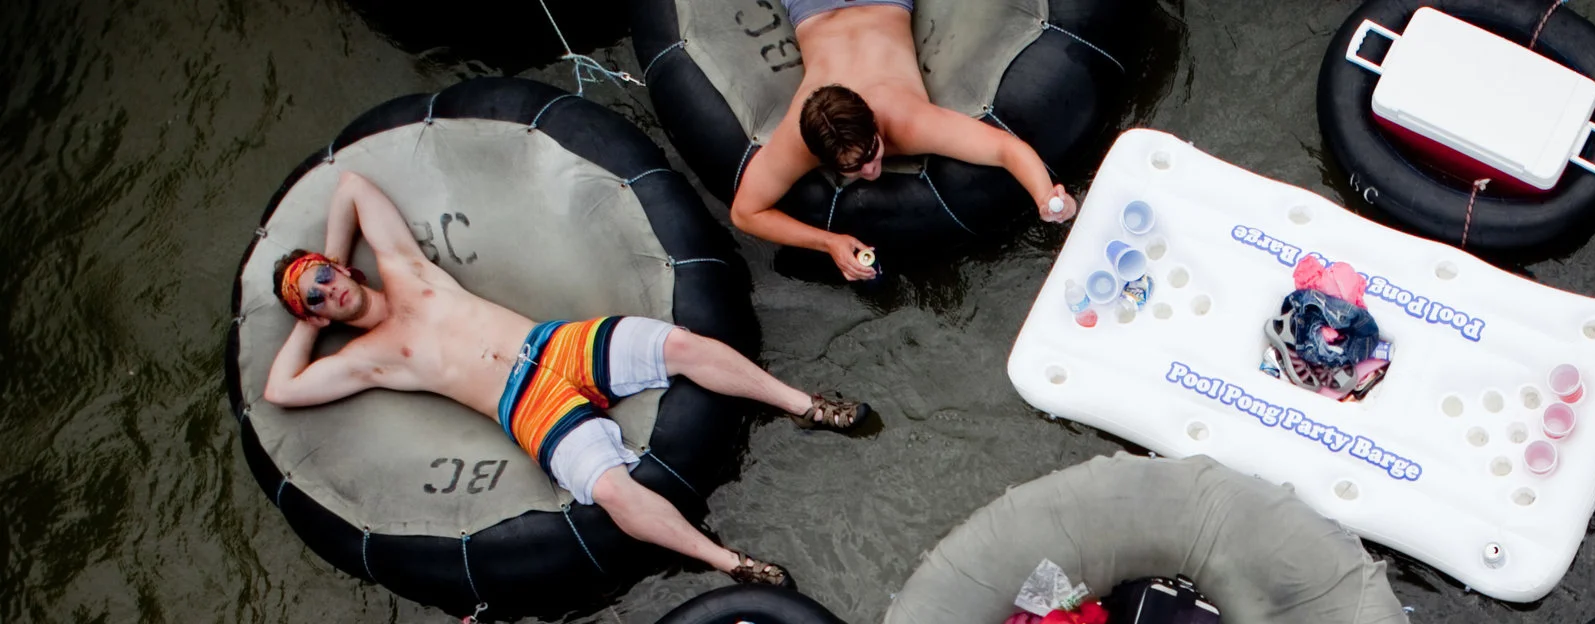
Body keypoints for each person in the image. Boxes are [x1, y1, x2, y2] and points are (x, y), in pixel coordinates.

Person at [260, 171, 872, 587]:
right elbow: (281, 389)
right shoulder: (369, 356)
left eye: (326, 274)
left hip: (552, 343)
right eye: (317, 295)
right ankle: (729, 560)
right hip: (524, 404)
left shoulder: (402, 267)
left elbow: (351, 186)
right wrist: (308, 322)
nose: (332, 287)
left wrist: (330, 257)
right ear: (316, 312)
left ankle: (805, 405)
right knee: (607, 490)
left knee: (678, 344)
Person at [731, 0, 1077, 279]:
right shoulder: (801, 137)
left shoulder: (905, 120)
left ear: (874, 122)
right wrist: (828, 242)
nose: (870, 171)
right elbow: (744, 213)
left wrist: (1045, 195)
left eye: (871, 151)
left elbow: (1005, 148)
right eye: (852, 167)